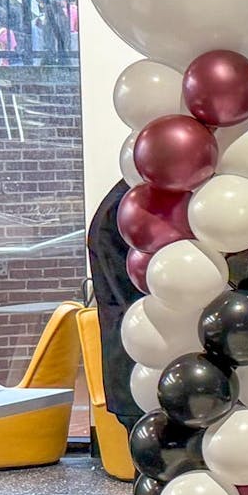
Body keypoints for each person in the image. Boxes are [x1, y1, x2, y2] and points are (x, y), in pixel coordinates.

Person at [88, 178, 145, 432]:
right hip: (137, 361)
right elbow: (132, 296)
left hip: (135, 361)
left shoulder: (123, 202)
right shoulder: (125, 208)